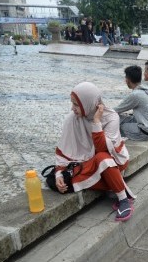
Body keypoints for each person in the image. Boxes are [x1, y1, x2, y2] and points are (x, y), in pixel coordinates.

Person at [55, 82, 135, 222]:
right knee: (71, 179)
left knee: (103, 158)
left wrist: (96, 121)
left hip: (114, 160)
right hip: (90, 162)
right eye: (72, 104)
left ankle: (123, 199)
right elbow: (64, 153)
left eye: (76, 104)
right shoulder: (72, 119)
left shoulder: (111, 117)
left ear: (88, 103)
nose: (72, 108)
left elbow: (103, 149)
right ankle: (116, 185)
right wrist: (58, 174)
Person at [114, 66, 148, 141]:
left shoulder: (136, 95)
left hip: (144, 133)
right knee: (125, 117)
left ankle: (111, 144)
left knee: (112, 118)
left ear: (128, 80)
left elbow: (115, 110)